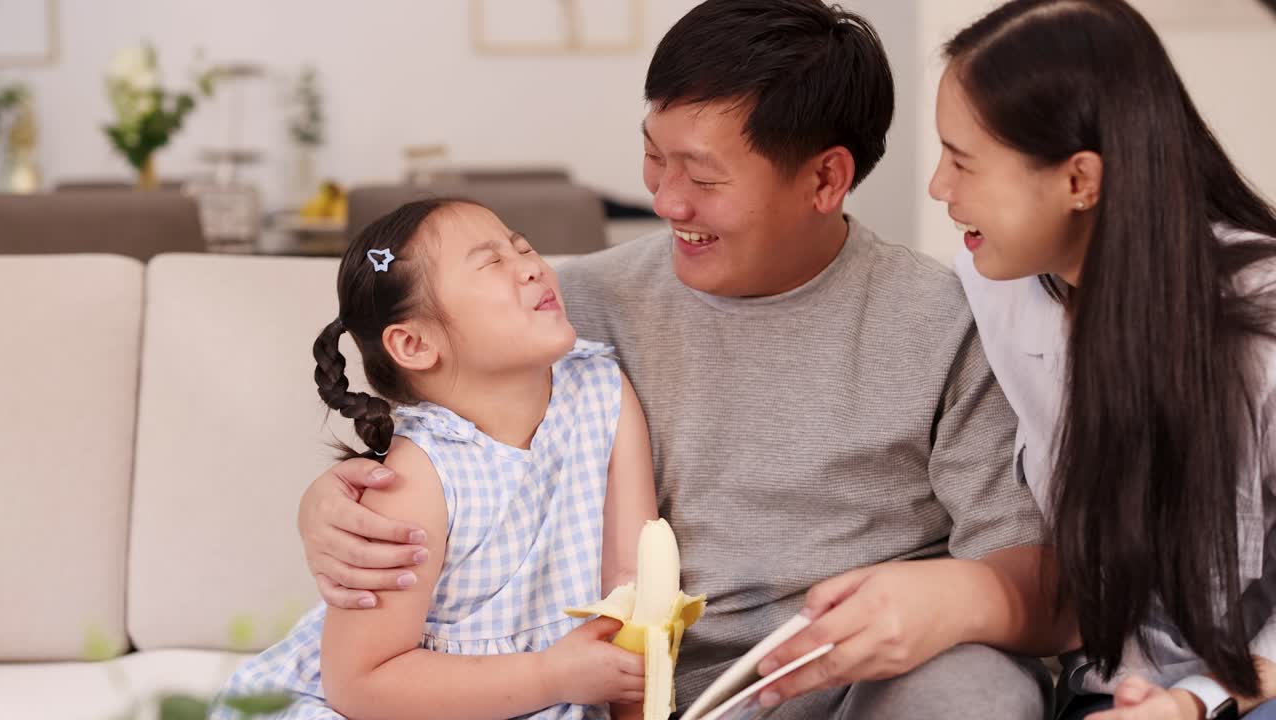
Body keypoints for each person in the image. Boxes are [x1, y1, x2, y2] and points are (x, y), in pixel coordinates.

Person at [293, 2, 1077, 717]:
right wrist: (338, 503)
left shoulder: (940, 322)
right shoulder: (572, 313)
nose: (668, 201)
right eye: (653, 159)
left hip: (861, 684)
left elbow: (1034, 576)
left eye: (703, 176)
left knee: (980, 688)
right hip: (647, 692)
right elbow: (451, 452)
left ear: (825, 179)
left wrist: (945, 598)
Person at [923, 0, 1276, 717]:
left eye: (963, 162)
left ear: (1081, 180)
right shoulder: (989, 289)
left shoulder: (1259, 318)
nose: (939, 188)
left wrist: (1196, 704)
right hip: (1106, 686)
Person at [213, 199, 659, 719]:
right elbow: (361, 683)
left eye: (521, 246)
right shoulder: (416, 479)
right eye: (492, 263)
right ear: (414, 343)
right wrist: (550, 674)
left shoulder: (602, 391)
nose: (533, 264)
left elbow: (632, 584)